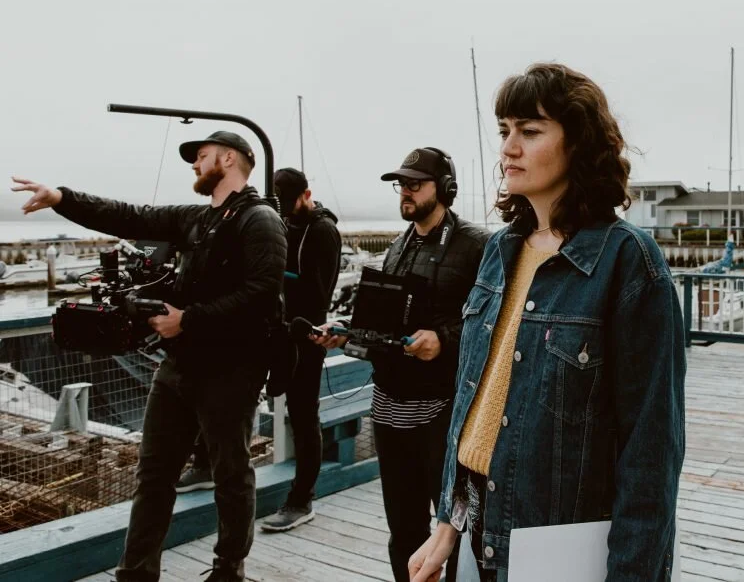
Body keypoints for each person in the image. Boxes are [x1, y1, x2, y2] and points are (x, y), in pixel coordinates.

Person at [408, 64, 687, 582]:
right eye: (504, 131)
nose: (508, 148)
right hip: (476, 533)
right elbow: (475, 405)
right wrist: (447, 524)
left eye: (530, 131)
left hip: (561, 546)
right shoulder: (499, 250)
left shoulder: (627, 262)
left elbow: (651, 452)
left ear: (579, 144)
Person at [11, 131, 288, 582]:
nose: (194, 165)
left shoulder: (260, 220)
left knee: (231, 476)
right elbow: (128, 215)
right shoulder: (196, 218)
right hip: (178, 366)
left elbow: (263, 295)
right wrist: (61, 198)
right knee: (154, 475)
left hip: (230, 370)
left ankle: (228, 571)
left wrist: (188, 320)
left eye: (201, 156)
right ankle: (136, 574)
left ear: (229, 159)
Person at [315, 147, 489, 582]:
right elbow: (388, 323)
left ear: (445, 188)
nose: (405, 192)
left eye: (415, 184)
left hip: (443, 413)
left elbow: (496, 324)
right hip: (389, 410)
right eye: (401, 185)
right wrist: (347, 332)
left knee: (455, 531)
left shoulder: (477, 245)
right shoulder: (398, 246)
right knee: (404, 530)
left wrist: (443, 340)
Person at [174, 167, 341, 534]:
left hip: (304, 337)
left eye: (288, 205)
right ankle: (205, 464)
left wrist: (270, 279)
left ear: (306, 195)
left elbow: (318, 295)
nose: (284, 213)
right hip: (267, 329)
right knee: (223, 393)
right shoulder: (275, 221)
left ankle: (301, 499)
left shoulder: (322, 230)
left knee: (303, 415)